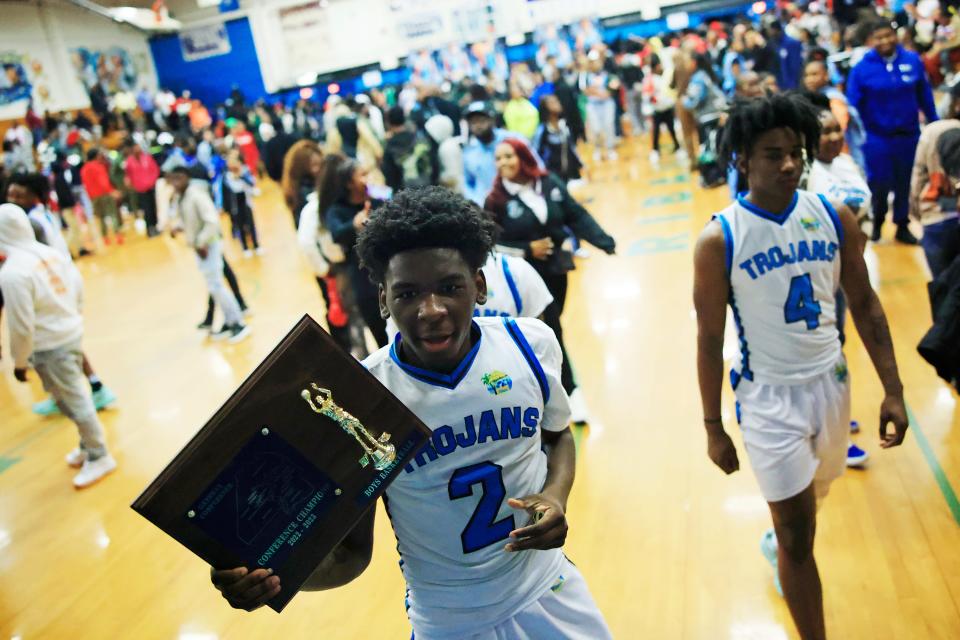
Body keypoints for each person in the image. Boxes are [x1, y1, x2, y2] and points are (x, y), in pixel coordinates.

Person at [209, 187, 611, 639]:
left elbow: (557, 437)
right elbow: (350, 556)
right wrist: (270, 579)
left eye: (449, 287)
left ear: (479, 285)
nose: (431, 310)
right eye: (407, 294)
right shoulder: (360, 400)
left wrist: (556, 496)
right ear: (382, 299)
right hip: (449, 620)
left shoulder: (529, 346)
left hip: (546, 589)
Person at [694, 93, 909, 640]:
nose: (789, 164)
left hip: (831, 384)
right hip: (766, 397)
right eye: (773, 154)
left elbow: (865, 305)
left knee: (813, 501)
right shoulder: (720, 238)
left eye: (796, 152)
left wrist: (893, 389)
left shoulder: (832, 216)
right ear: (742, 157)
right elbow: (709, 335)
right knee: (797, 537)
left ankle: (784, 534)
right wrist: (714, 427)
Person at [484, 138, 615, 424]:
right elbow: (492, 243)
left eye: (508, 156)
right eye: (498, 159)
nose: (502, 163)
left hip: (556, 272)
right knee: (551, 330)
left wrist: (602, 240)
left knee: (552, 329)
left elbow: (575, 215)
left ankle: (545, 384)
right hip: (525, 280)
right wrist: (527, 249)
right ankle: (569, 395)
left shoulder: (549, 183)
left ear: (522, 156)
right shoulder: (495, 199)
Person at [0, 203, 117, 488]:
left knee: (75, 400)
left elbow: (21, 325)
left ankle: (100, 455)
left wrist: (19, 361)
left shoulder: (13, 273)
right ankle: (87, 445)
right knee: (66, 397)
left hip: (50, 345)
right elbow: (78, 288)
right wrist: (72, 317)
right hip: (70, 334)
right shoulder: (52, 254)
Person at [5, 172, 118, 415]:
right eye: (10, 194)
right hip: (61, 278)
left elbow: (39, 258)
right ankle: (82, 389)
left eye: (19, 195)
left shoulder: (31, 222)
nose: (12, 198)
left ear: (34, 196)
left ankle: (82, 394)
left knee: (58, 343)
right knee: (63, 342)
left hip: (54, 281)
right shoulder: (38, 214)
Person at [805, 100, 874, 467]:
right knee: (826, 352)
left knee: (838, 348)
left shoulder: (845, 164)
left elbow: (866, 210)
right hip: (819, 282)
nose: (833, 137)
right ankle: (832, 435)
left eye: (836, 129)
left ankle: (836, 420)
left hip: (846, 274)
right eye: (824, 132)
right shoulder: (804, 174)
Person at [846, 20, 939, 244]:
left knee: (906, 182)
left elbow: (925, 96)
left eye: (888, 35)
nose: (885, 41)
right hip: (877, 137)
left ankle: (902, 225)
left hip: (909, 136)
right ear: (871, 41)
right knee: (879, 181)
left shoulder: (912, 61)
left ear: (895, 35)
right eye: (879, 37)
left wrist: (934, 125)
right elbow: (852, 104)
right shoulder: (862, 68)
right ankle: (877, 220)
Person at [167, 166, 250, 343]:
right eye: (173, 180)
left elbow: (212, 221)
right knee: (214, 286)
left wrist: (202, 241)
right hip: (199, 248)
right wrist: (178, 227)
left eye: (179, 178)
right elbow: (189, 220)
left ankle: (238, 323)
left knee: (216, 286)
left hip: (209, 246)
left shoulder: (197, 195)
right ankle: (229, 321)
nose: (176, 183)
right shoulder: (182, 198)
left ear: (187, 177)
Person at [321, 154, 388, 348]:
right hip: (363, 280)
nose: (367, 179)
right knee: (381, 336)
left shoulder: (376, 197)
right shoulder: (337, 210)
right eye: (362, 175)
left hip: (389, 272)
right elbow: (337, 234)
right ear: (349, 183)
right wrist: (354, 224)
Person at [909, 84, 960, 279]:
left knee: (943, 289)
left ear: (955, 103)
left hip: (936, 217)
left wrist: (916, 212)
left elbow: (918, 177)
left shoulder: (933, 131)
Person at [802, 59, 867, 171]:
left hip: (841, 155)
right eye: (806, 75)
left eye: (814, 74)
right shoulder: (812, 98)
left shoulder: (834, 99)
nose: (810, 79)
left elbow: (838, 127)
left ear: (826, 75)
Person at [463, 101, 520, 206]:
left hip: (518, 201)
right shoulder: (469, 153)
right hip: (488, 208)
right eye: (473, 122)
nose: (478, 126)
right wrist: (477, 203)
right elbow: (468, 184)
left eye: (481, 120)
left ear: (492, 120)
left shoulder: (513, 140)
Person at [382, 106, 435, 193]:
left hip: (404, 194)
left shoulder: (390, 145)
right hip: (426, 188)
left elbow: (389, 175)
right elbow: (432, 162)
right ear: (404, 119)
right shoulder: (418, 139)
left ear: (388, 122)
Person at [532, 95, 584, 184]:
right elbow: (535, 154)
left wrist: (580, 164)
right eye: (552, 103)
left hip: (570, 171)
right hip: (553, 175)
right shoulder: (542, 131)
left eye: (557, 101)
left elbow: (571, 147)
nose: (557, 104)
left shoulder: (564, 125)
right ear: (545, 108)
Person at [642, 54, 680, 163]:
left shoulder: (664, 76)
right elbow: (647, 96)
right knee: (656, 131)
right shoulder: (649, 79)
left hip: (667, 107)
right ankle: (655, 150)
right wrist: (654, 101)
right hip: (656, 110)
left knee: (671, 128)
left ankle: (677, 147)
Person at [222, 150, 261, 257]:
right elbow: (230, 190)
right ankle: (245, 248)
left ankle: (257, 245)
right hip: (235, 205)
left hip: (246, 202)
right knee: (240, 226)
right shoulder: (227, 176)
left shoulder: (245, 171)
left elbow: (252, 184)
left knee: (251, 224)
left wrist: (241, 176)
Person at [80, 148, 122, 245]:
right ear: (96, 156)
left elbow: (86, 185)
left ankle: (105, 238)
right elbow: (103, 181)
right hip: (104, 194)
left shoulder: (84, 169)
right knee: (112, 214)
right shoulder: (98, 166)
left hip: (93, 197)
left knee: (101, 217)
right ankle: (118, 235)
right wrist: (112, 191)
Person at [280, 139, 324, 228]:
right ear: (302, 168)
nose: (319, 168)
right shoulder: (301, 192)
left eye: (321, 163)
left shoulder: (320, 180)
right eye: (314, 165)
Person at [123, 139, 161, 237]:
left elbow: (155, 169)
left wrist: (152, 181)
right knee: (146, 209)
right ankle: (149, 228)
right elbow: (128, 175)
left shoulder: (147, 157)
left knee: (153, 207)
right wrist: (133, 184)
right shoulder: (129, 161)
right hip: (140, 189)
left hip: (151, 186)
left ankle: (155, 226)